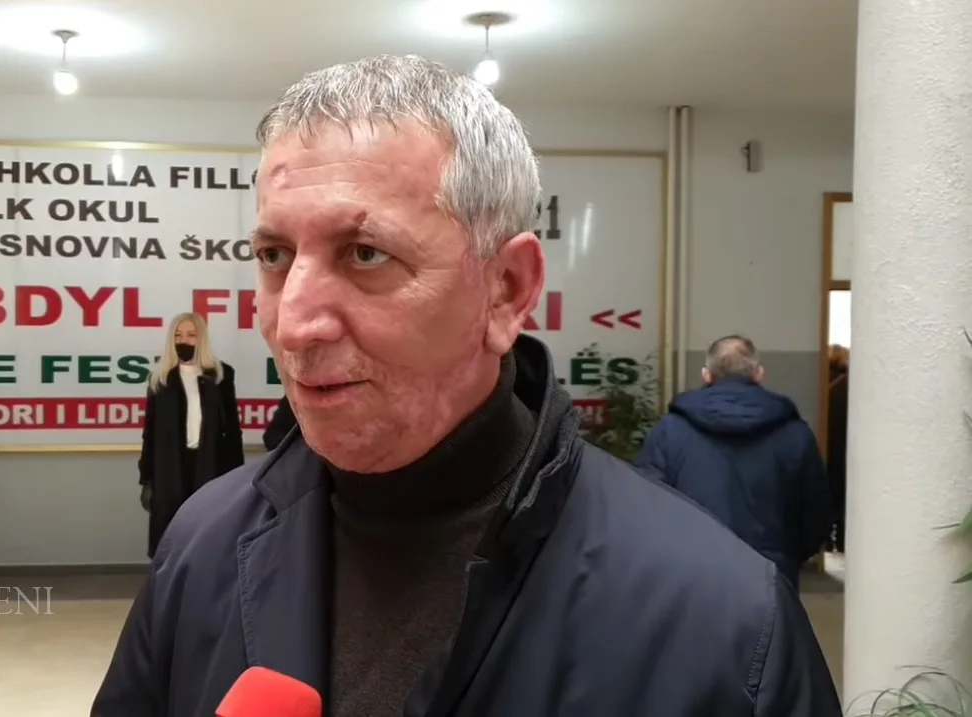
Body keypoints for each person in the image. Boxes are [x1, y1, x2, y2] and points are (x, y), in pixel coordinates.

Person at [92, 55, 840, 717]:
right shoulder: (203, 545)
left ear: (506, 290)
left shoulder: (723, 621)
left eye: (364, 253)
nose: (294, 325)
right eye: (274, 256)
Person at [635, 335, 834, 589]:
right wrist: (786, 557)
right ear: (759, 374)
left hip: (691, 577)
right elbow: (816, 515)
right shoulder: (795, 432)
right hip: (771, 578)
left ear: (707, 375)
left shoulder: (670, 430)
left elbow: (647, 505)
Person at [137, 312, 244, 559]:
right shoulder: (161, 379)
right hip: (170, 469)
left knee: (208, 531)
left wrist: (236, 477)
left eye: (191, 335)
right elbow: (150, 434)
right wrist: (147, 479)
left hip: (210, 465)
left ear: (201, 338)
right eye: (178, 335)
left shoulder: (221, 375)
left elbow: (232, 430)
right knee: (170, 535)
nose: (184, 340)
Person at [826, 344, 849, 553]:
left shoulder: (820, 384)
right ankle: (842, 540)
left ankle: (825, 539)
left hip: (826, 446)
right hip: (845, 448)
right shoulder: (849, 385)